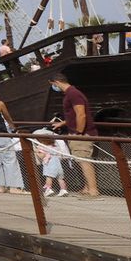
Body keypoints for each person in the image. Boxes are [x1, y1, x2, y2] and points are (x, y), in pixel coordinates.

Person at [49, 70, 100, 198]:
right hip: (75, 131)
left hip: (81, 134)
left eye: (52, 84)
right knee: (80, 160)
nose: (53, 87)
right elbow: (74, 114)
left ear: (57, 82)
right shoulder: (70, 94)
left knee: (84, 160)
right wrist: (63, 123)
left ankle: (93, 190)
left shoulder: (73, 94)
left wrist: (79, 132)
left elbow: (81, 114)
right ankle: (87, 187)